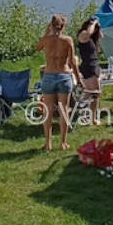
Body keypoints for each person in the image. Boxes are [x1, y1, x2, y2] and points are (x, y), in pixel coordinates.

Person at [35, 14, 81, 150]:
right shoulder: (68, 40)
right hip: (64, 75)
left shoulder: (45, 40)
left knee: (47, 110)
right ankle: (62, 143)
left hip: (49, 75)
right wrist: (78, 79)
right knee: (64, 110)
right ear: (63, 26)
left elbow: (37, 48)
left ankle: (48, 143)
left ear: (51, 25)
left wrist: (46, 32)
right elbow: (73, 61)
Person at [75, 17, 103, 97]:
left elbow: (101, 36)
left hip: (94, 66)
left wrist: (98, 27)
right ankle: (86, 108)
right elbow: (88, 33)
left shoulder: (91, 39)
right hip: (89, 67)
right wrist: (93, 23)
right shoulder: (83, 34)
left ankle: (88, 108)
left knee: (92, 93)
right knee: (94, 93)